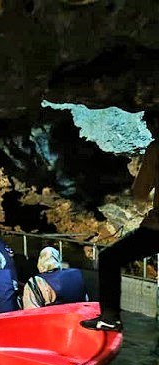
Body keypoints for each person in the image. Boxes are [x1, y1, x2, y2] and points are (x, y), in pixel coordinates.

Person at [81, 115, 159, 331]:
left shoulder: (156, 148)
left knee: (109, 259)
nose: (147, 127)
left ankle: (110, 317)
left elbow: (140, 191)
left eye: (149, 122)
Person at [23, 246, 88, 309]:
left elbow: (31, 310)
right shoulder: (76, 274)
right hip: (78, 316)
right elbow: (85, 300)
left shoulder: (36, 281)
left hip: (52, 317)